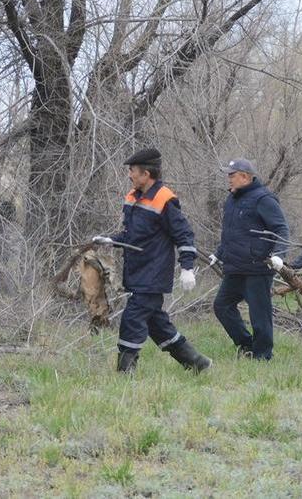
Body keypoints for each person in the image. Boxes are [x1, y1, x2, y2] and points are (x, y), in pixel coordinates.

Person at [94, 147, 210, 374]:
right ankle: (196, 363)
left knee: (133, 317)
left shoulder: (166, 199)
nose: (129, 175)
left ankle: (125, 371)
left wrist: (187, 267)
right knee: (157, 324)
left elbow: (184, 234)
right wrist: (111, 240)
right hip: (137, 272)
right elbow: (131, 235)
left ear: (146, 174)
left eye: (133, 171)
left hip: (153, 274)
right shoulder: (133, 198)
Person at [211, 158, 288, 361]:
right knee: (222, 306)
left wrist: (279, 255)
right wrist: (218, 253)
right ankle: (246, 346)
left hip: (258, 267)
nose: (229, 179)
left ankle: (263, 356)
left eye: (232, 175)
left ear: (245, 176)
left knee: (259, 315)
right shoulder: (232, 199)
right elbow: (232, 233)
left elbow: (281, 229)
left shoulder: (264, 199)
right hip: (234, 267)